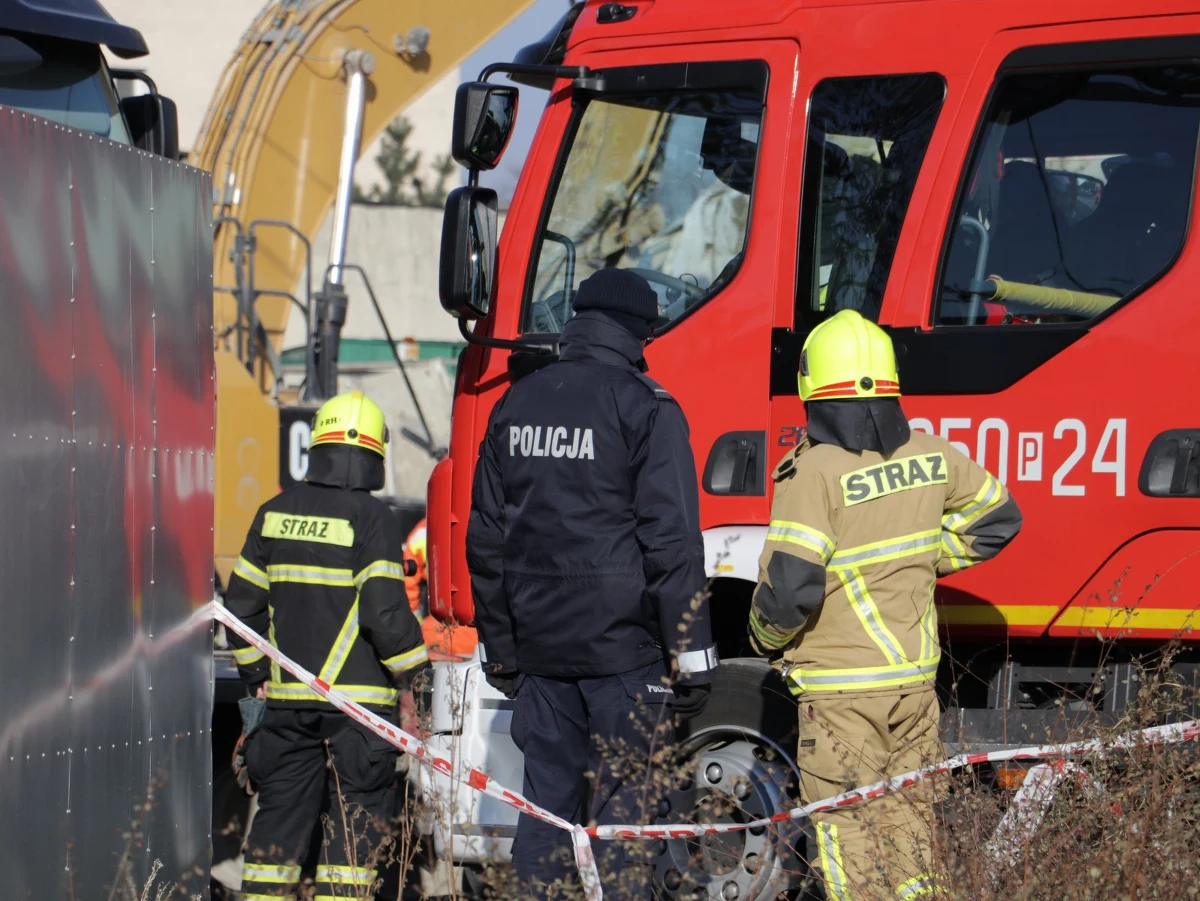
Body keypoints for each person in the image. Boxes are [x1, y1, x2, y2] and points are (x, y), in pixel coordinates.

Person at [748, 309, 1022, 900]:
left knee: (851, 836)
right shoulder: (931, 454)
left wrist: (762, 639)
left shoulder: (812, 470)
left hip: (842, 692)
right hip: (915, 686)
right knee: (910, 825)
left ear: (811, 386)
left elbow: (791, 589)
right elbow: (999, 518)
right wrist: (930, 558)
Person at [466, 268, 717, 899]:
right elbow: (672, 544)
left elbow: (486, 540)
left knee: (545, 814)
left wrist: (503, 649)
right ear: (638, 330)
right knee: (626, 819)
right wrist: (693, 657)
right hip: (625, 658)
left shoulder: (513, 404)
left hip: (541, 656)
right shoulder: (645, 407)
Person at [225, 389, 430, 900]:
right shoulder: (373, 519)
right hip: (358, 715)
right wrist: (419, 679)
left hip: (286, 711)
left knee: (275, 845)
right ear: (373, 455)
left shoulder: (273, 513)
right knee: (352, 847)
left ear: (317, 446)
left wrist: (258, 682)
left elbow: (240, 611)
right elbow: (385, 615)